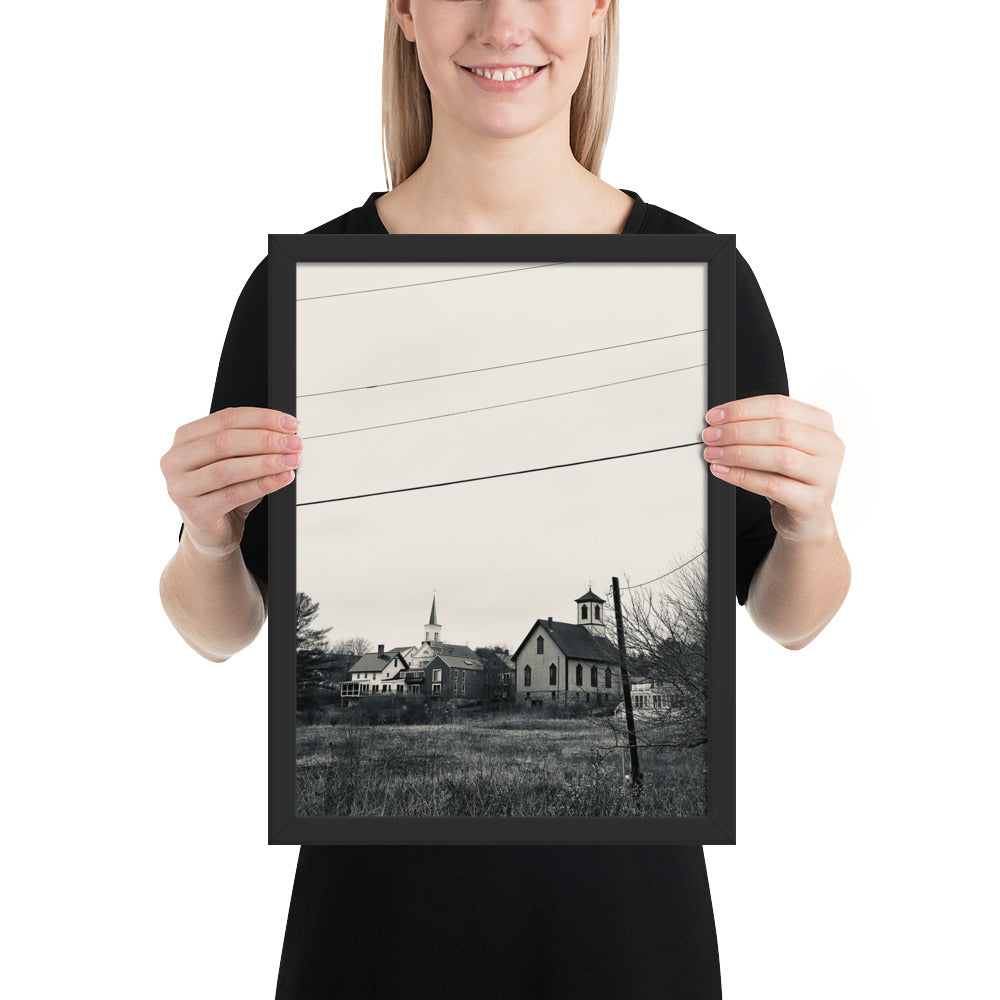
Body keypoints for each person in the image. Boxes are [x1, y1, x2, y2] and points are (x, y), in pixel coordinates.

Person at [159, 1, 850, 997]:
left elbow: (791, 615)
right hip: (372, 931)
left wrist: (809, 521)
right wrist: (208, 539)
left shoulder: (702, 283)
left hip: (626, 932)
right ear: (402, 11)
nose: (503, 20)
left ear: (601, 11)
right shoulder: (296, 290)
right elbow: (219, 632)